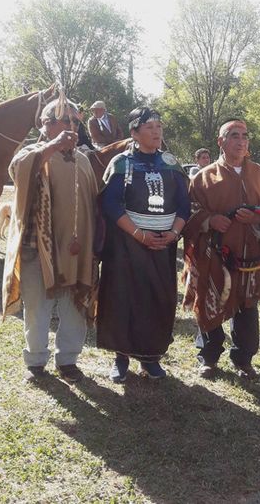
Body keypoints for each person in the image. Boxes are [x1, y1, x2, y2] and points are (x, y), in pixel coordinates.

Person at [2, 99, 98, 383]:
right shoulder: (33, 153)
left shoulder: (83, 159)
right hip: (38, 250)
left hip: (76, 251)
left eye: (76, 121)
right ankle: (35, 361)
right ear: (45, 125)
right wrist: (53, 146)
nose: (72, 126)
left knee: (74, 308)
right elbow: (18, 171)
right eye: (65, 119)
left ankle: (68, 360)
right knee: (37, 309)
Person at [96, 107, 190, 381]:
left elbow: (184, 206)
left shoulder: (172, 164)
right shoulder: (121, 163)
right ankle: (121, 356)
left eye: (158, 126)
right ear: (134, 133)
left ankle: (150, 357)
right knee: (124, 297)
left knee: (157, 298)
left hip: (164, 244)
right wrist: (139, 235)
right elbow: (111, 205)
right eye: (149, 127)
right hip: (127, 245)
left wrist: (172, 234)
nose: (156, 131)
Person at [183, 118, 260, 379]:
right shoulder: (204, 176)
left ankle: (243, 358)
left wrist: (258, 217)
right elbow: (189, 211)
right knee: (209, 300)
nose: (241, 140)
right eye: (234, 135)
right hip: (214, 253)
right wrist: (210, 220)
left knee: (247, 306)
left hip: (249, 254)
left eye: (244, 135)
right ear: (221, 142)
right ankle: (209, 357)